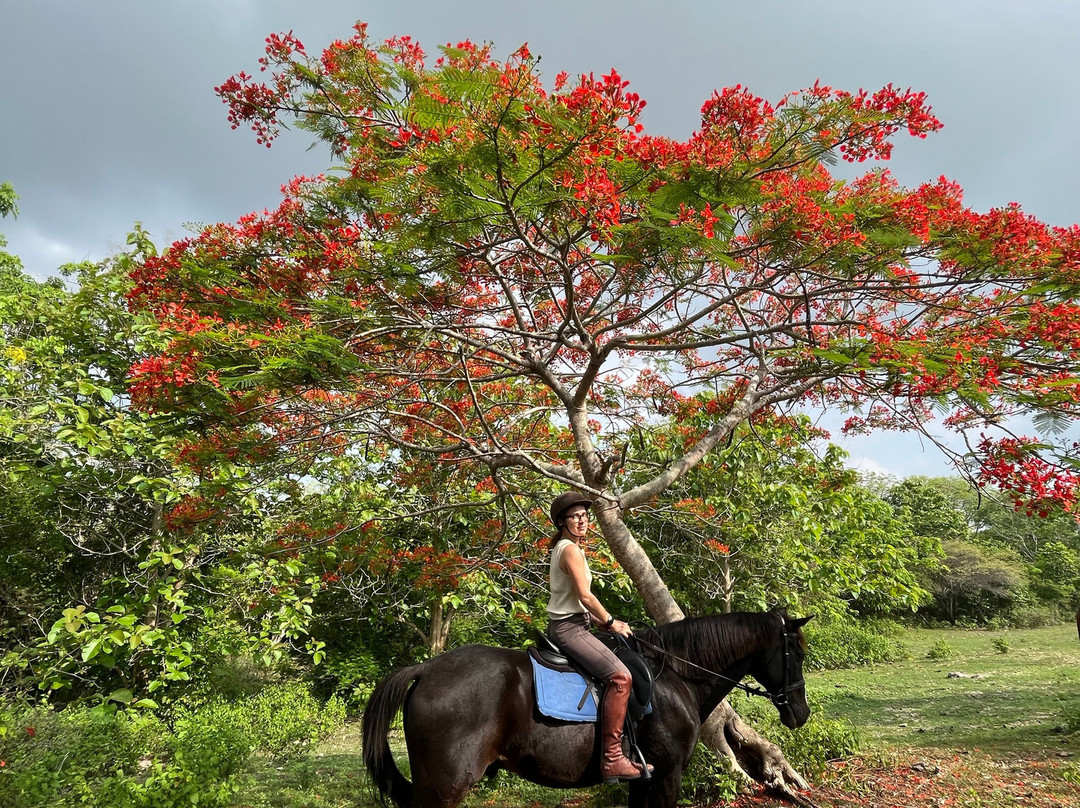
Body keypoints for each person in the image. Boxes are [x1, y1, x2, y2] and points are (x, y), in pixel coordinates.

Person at [546, 491, 652, 783]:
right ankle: (613, 759)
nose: (582, 521)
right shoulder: (570, 550)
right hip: (570, 630)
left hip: (572, 623)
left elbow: (569, 601)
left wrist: (598, 623)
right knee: (621, 677)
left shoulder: (564, 548)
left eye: (584, 515)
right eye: (575, 517)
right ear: (562, 522)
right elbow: (584, 595)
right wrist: (611, 621)